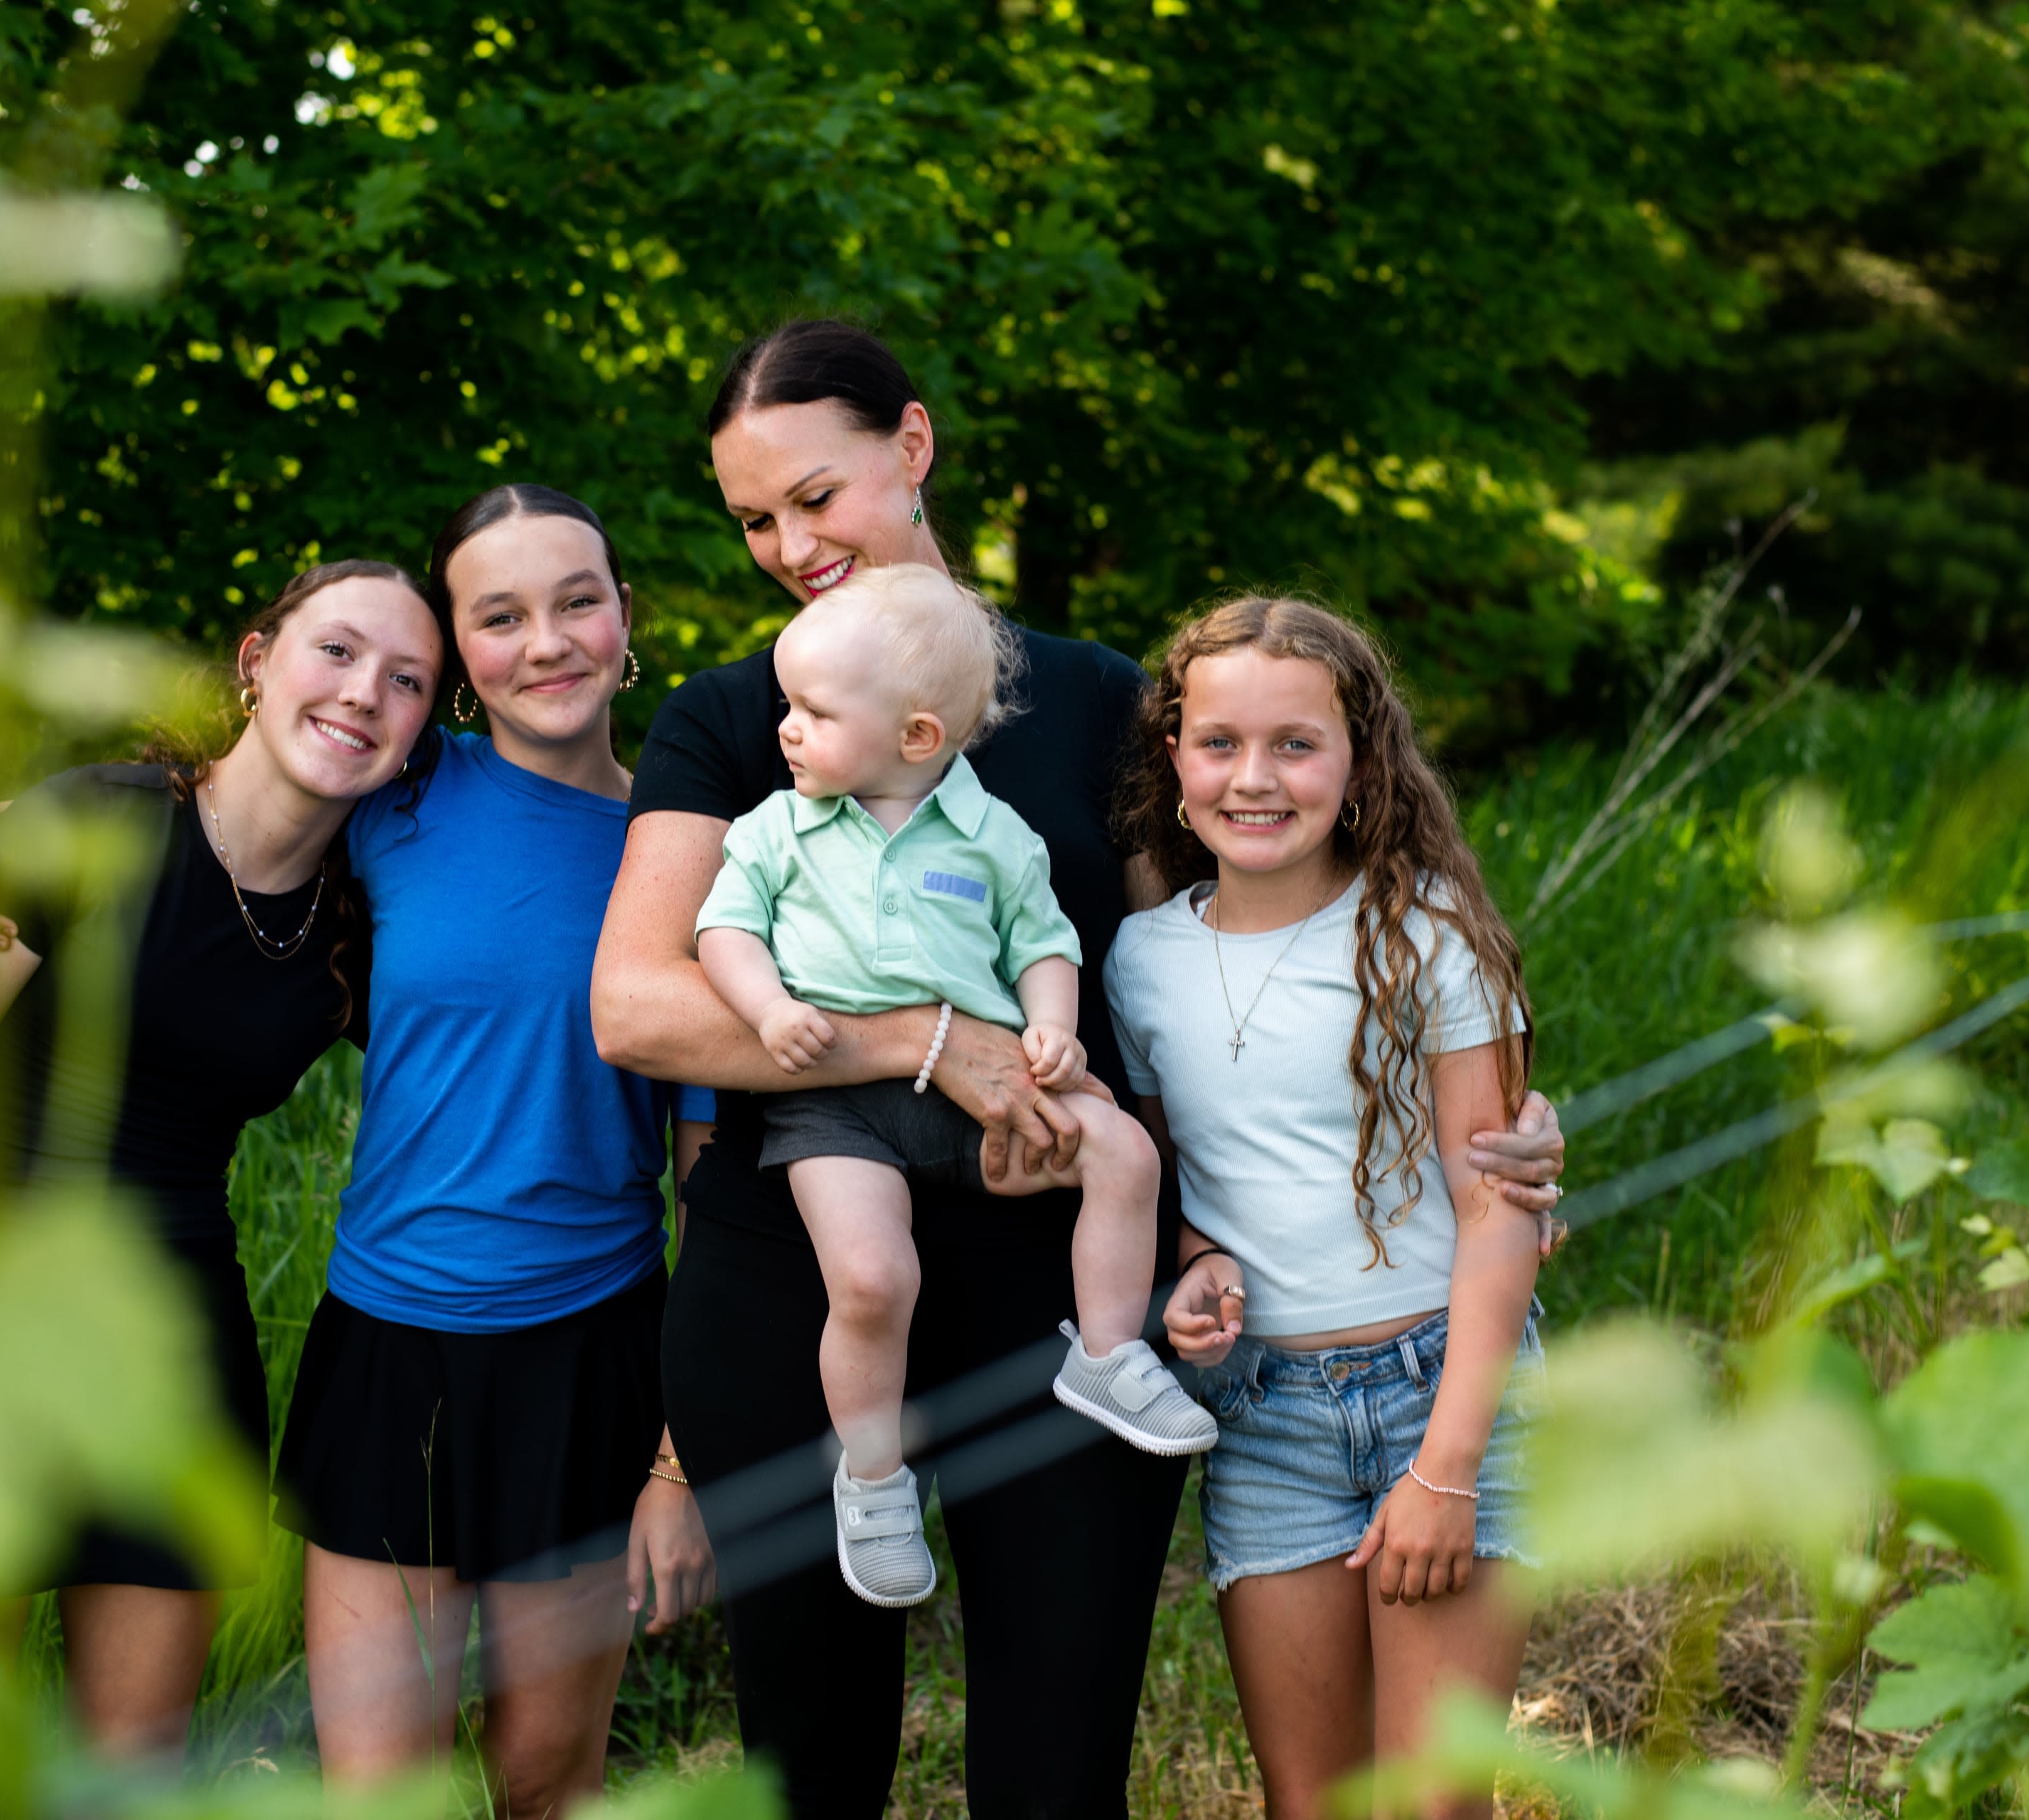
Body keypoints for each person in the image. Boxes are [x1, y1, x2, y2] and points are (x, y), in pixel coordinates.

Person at [589, 318, 1568, 1815]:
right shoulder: (741, 719)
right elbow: (642, 1007)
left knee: (1055, 1763)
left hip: (1063, 1285)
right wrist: (935, 1045)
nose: (789, 544)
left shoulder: (1100, 695)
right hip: (801, 1265)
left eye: (817, 494)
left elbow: (1218, 944)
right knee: (813, 1756)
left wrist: (1483, 1107)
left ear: (912, 448)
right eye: (754, 519)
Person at [0, 488, 718, 1816]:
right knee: (375, 1789)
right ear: (462, 659)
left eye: (579, 600)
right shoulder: (397, 801)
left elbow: (717, 1195)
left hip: (591, 1351)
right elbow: (212, 816)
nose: (549, 641)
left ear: (627, 614)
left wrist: (679, 1463)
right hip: (387, 1348)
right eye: (500, 616)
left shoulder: (693, 851)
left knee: (544, 1779)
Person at [0, 559, 443, 1820]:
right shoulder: (89, 825)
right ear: (257, 660)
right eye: (335, 651)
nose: (362, 694)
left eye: (406, 681)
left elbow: (516, 1023)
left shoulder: (360, 929)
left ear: (419, 736)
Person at [693, 563, 1211, 1608]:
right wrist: (768, 1011)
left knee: (1124, 1151)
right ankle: (875, 1478)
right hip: (832, 1100)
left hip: (983, 1093)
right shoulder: (775, 830)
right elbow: (724, 930)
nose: (785, 730)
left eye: (815, 713)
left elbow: (1045, 946)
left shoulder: (996, 836)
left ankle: (1107, 1353)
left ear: (918, 738)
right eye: (789, 707)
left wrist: (1056, 1035)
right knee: (875, 1279)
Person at [1114, 596, 1545, 1820]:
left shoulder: (1427, 934)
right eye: (1219, 744)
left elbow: (1502, 1204)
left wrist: (1448, 1467)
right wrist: (1193, 1262)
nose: (1255, 778)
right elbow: (1171, 1179)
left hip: (1440, 1391)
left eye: (1295, 745)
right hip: (1267, 1418)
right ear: (1175, 758)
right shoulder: (1141, 959)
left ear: (1360, 763)